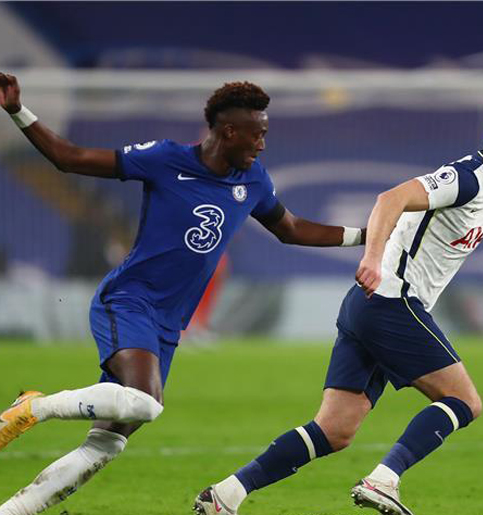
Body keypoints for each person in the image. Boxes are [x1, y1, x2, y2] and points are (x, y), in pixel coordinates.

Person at [192, 107, 483, 515]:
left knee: (334, 430)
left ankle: (226, 494)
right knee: (465, 401)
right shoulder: (466, 178)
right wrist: (372, 258)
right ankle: (384, 480)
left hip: (366, 307)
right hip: (392, 301)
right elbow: (390, 199)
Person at [0, 72, 365, 515]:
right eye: (257, 134)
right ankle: (34, 407)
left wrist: (367, 235)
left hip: (168, 323)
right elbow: (69, 158)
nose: (263, 145)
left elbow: (291, 229)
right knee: (145, 403)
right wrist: (17, 110)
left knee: (108, 442)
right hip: (130, 300)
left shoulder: (253, 180)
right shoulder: (164, 158)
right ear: (228, 132)